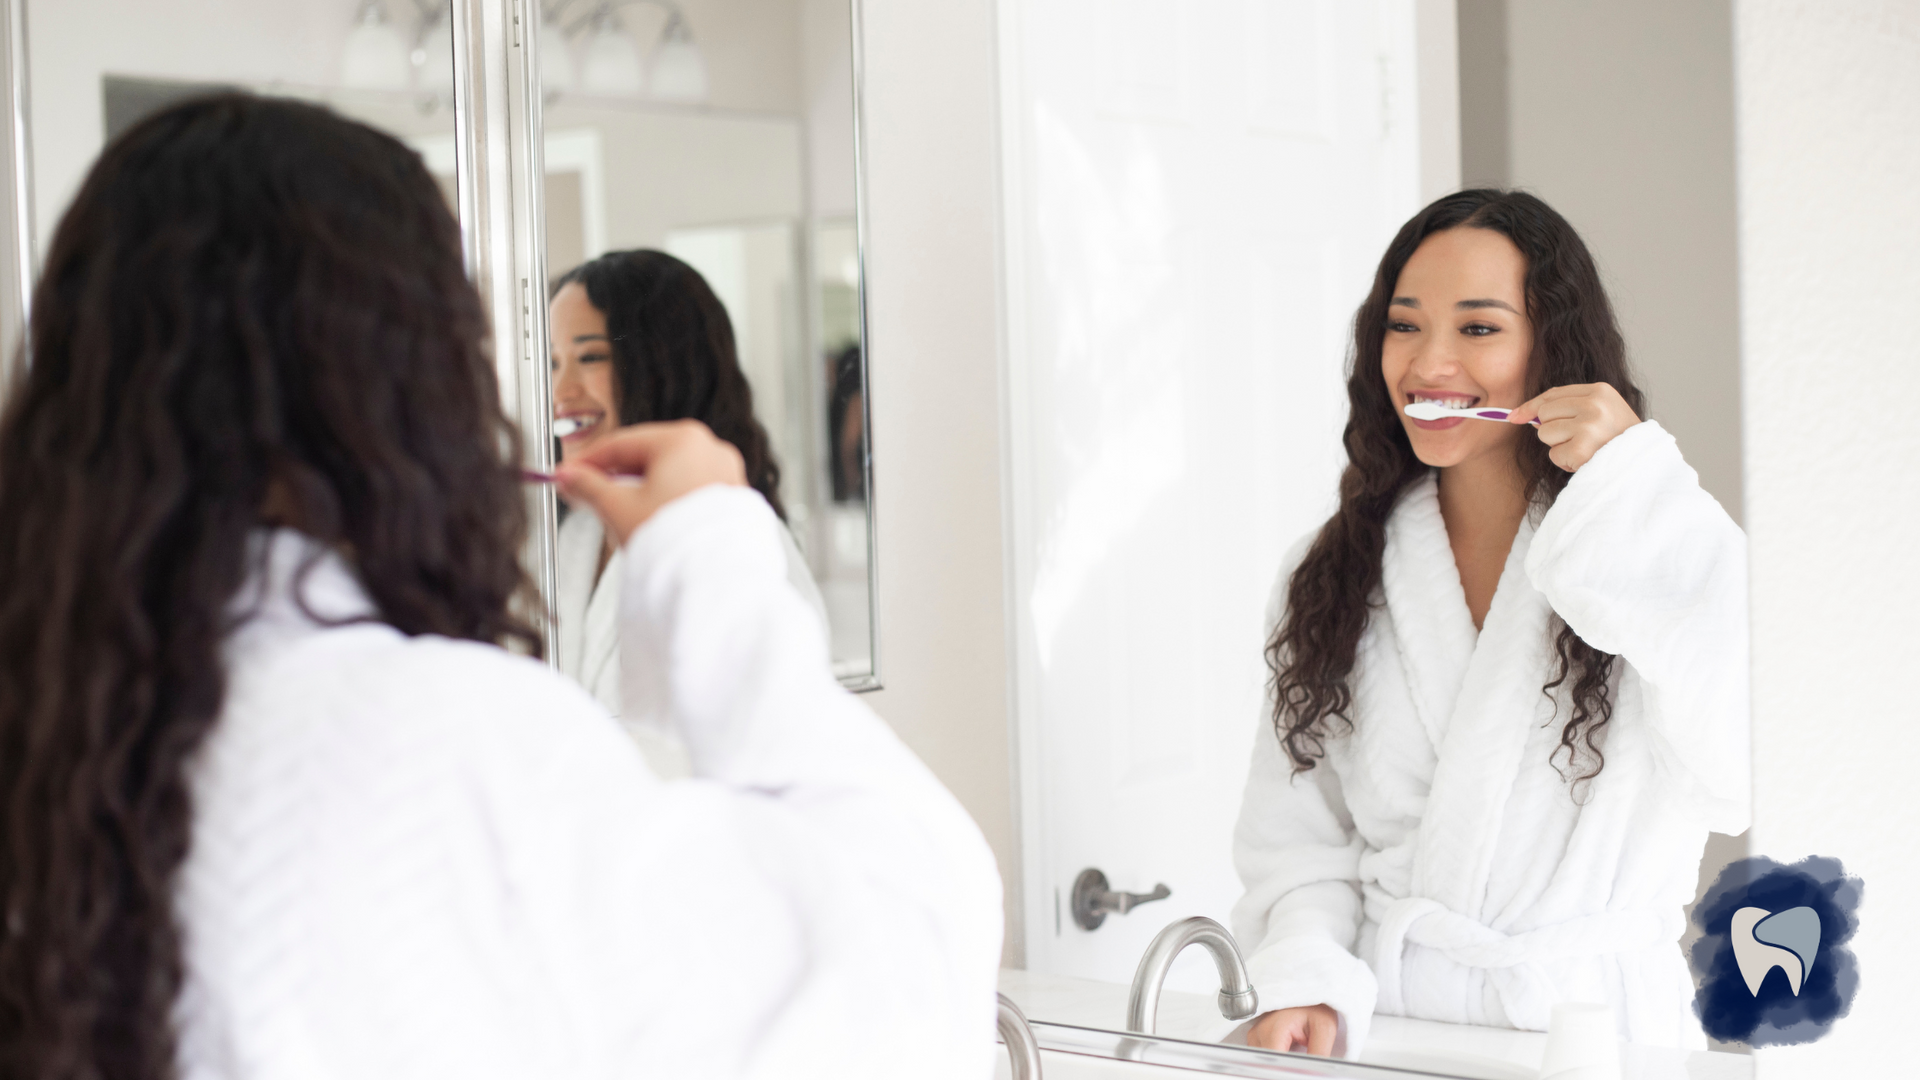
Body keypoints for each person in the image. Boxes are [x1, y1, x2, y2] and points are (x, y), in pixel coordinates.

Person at [0, 94, 1000, 1080]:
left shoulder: (61, 712)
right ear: (401, 377)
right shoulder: (428, 740)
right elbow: (910, 960)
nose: (557, 389)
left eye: (589, 360)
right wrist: (708, 553)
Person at [1232, 190, 1749, 1057]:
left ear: (1551, 346)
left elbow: (1739, 769)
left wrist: (1630, 488)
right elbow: (1299, 846)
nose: (1430, 362)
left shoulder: (1643, 538)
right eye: (1405, 326)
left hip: (1595, 1033)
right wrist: (1308, 980)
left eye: (1478, 329)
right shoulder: (1332, 573)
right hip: (1399, 1027)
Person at [548, 250, 829, 775]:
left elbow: (781, 739)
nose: (561, 392)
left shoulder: (745, 545)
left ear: (661, 365)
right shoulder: (573, 538)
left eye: (589, 358)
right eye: (553, 363)